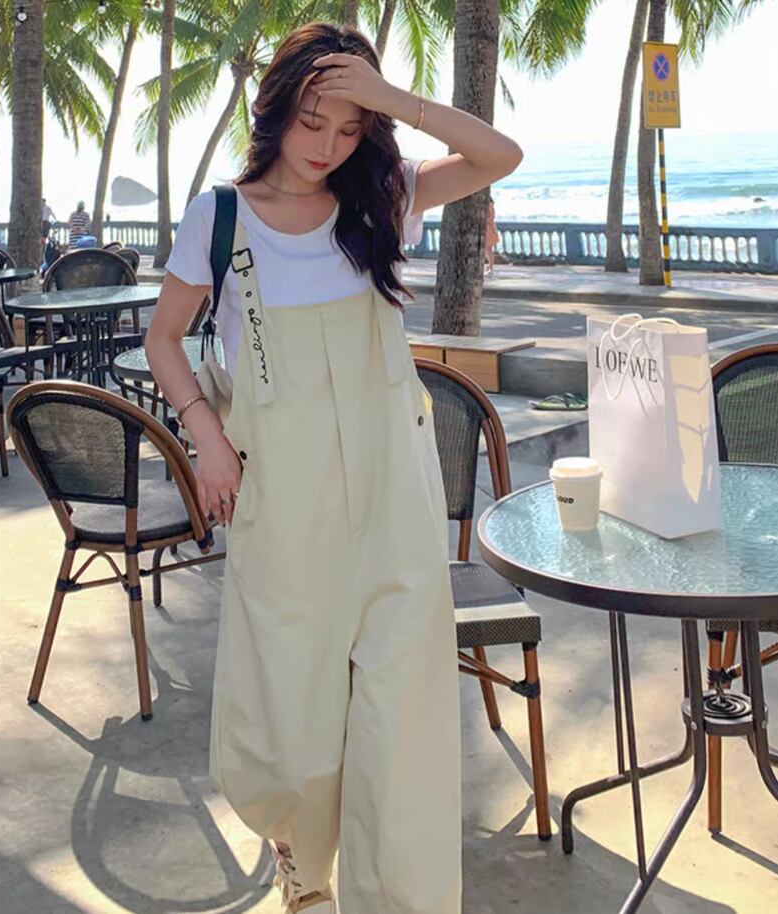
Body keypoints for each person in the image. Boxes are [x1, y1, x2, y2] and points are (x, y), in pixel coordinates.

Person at [145, 22, 522, 914]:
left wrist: (389, 100)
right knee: (290, 721)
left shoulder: (382, 200)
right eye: (313, 121)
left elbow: (498, 156)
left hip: (394, 495)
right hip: (284, 501)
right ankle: (303, 869)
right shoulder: (220, 218)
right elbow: (164, 339)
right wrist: (206, 437)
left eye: (350, 129)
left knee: (401, 721)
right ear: (275, 110)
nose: (326, 147)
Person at [484, 191, 500, 274]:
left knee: (488, 249)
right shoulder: (490, 204)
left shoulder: (488, 205)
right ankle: (490, 266)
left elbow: (490, 217)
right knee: (487, 249)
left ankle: (491, 267)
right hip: (489, 227)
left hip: (488, 228)